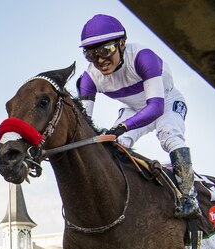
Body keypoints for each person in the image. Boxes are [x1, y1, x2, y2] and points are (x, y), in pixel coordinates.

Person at [77, 14, 200, 219]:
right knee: (115, 146)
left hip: (165, 101)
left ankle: (189, 197)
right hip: (133, 109)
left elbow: (156, 108)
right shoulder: (89, 78)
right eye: (91, 55)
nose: (100, 61)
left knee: (169, 134)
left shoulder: (143, 57)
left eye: (106, 51)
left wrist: (123, 126)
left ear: (122, 43)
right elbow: (83, 123)